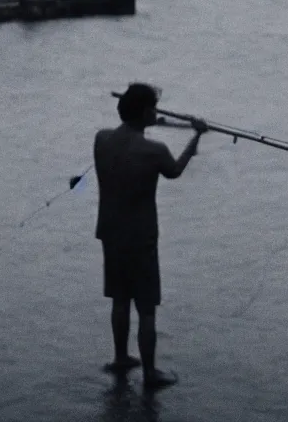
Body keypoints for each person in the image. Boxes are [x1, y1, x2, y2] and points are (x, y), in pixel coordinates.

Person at [93, 83, 207, 390]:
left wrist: (152, 120)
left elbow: (130, 137)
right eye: (153, 109)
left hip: (110, 232)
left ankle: (120, 357)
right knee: (145, 307)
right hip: (141, 238)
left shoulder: (101, 139)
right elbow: (174, 171)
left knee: (119, 298)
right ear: (144, 112)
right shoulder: (154, 151)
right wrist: (195, 136)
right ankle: (150, 373)